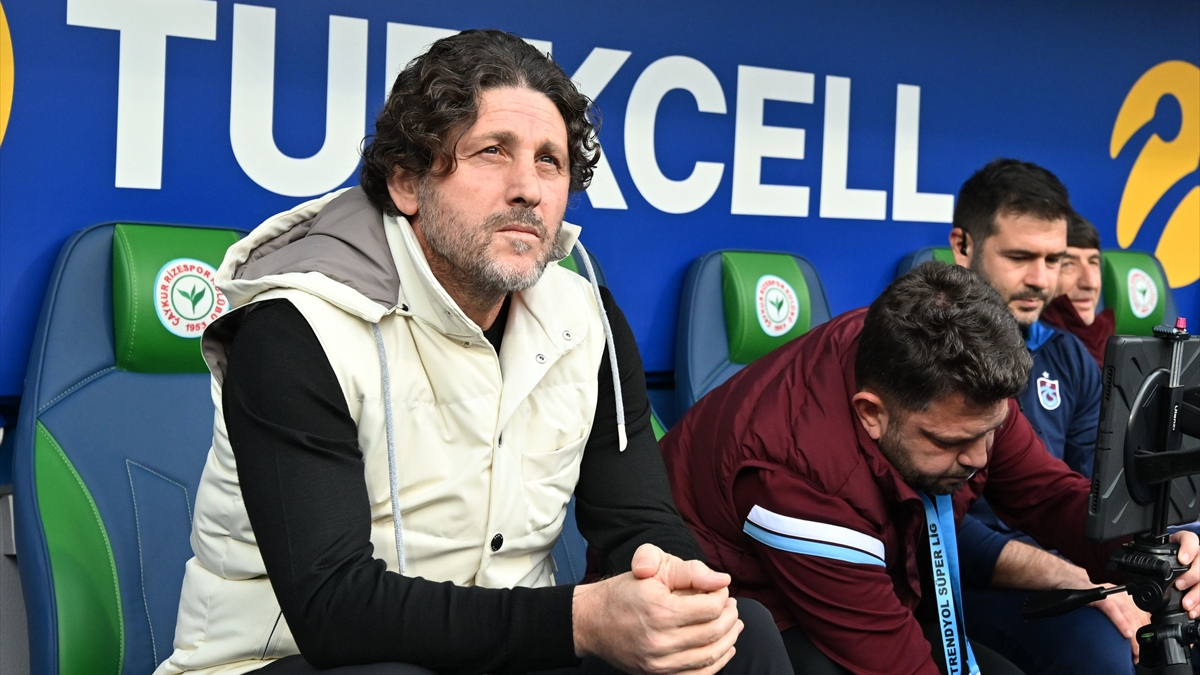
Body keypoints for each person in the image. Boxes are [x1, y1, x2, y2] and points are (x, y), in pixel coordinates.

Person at [155, 30, 790, 675]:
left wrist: (673, 590)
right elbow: (334, 610)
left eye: (550, 161)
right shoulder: (297, 326)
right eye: (492, 152)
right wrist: (583, 621)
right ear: (407, 181)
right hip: (294, 659)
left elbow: (638, 521)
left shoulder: (586, 317)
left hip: (511, 651)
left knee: (737, 640)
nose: (528, 188)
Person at [659, 261, 1200, 675]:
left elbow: (1049, 496)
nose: (980, 457)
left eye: (992, 430)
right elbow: (893, 662)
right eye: (951, 442)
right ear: (871, 413)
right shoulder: (794, 472)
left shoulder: (952, 378)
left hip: (875, 580)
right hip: (748, 610)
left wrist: (1152, 552)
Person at [947, 159, 1143, 675]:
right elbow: (936, 531)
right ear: (962, 246)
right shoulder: (925, 350)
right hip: (965, 581)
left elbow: (1084, 495)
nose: (1041, 280)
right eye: (1020, 257)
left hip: (1061, 567)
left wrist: (1152, 557)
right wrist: (1078, 579)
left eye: (1054, 259)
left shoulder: (1069, 355)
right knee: (1102, 654)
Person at [1039, 213, 1113, 366]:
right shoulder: (1025, 349)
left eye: (1093, 262)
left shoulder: (1113, 343)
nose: (1090, 283)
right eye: (1068, 264)